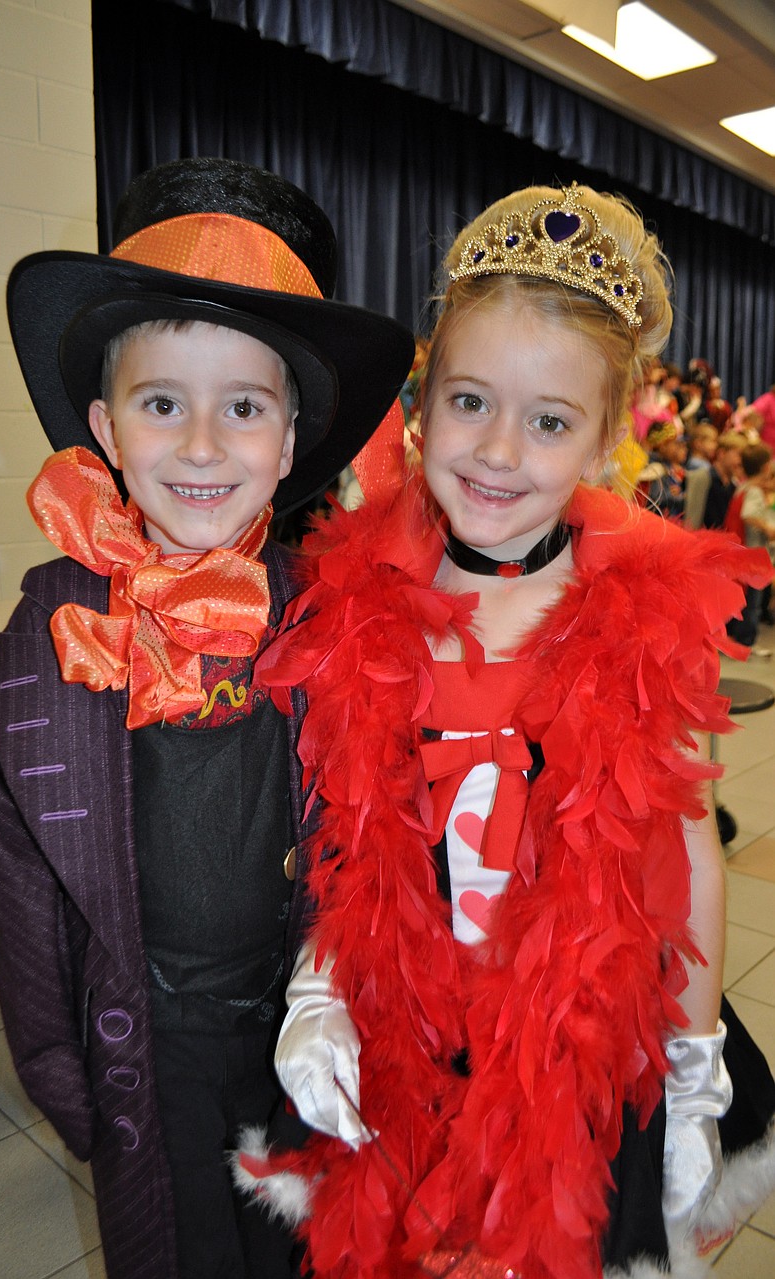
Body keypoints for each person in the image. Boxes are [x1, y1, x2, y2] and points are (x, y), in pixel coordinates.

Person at [235, 184, 775, 1279]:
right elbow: (345, 827)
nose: (495, 451)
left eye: (548, 421)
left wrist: (694, 1056)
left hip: (578, 1049)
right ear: (421, 400)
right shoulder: (356, 599)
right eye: (470, 400)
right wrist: (321, 986)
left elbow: (684, 849)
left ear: (604, 436)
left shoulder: (638, 616)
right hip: (409, 1037)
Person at [0, 156, 414, 1279]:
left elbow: (372, 835)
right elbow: (21, 891)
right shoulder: (44, 641)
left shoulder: (330, 615)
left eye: (244, 408)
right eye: (163, 403)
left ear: (291, 438)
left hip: (296, 1021)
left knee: (298, 1250)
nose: (205, 446)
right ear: (106, 429)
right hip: (144, 1039)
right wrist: (67, 1082)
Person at [726, 442, 775, 656]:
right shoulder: (754, 491)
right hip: (754, 553)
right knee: (753, 600)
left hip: (743, 550)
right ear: (766, 467)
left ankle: (739, 636)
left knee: (745, 597)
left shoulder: (744, 486)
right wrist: (767, 527)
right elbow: (748, 514)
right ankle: (747, 640)